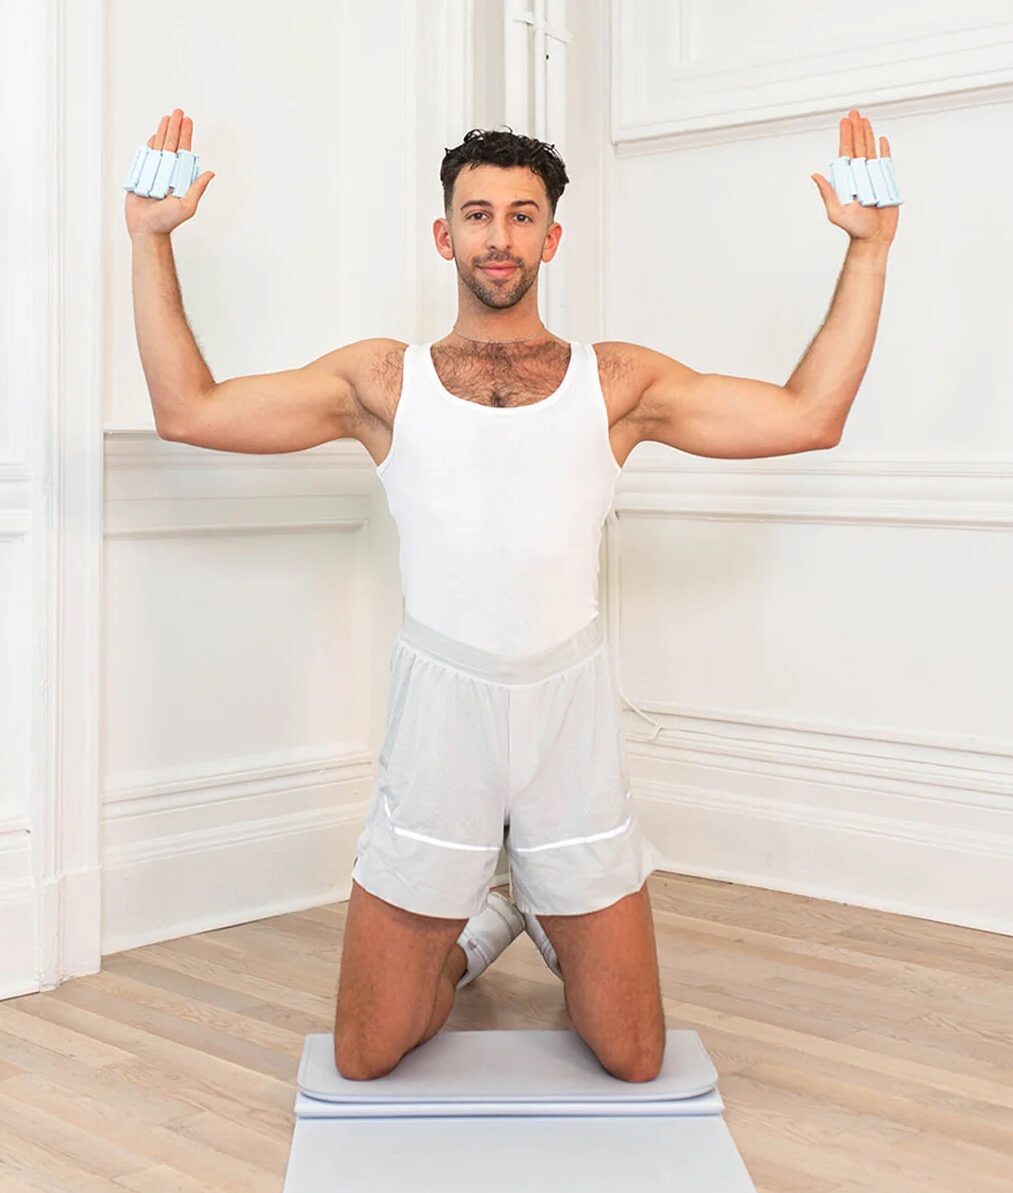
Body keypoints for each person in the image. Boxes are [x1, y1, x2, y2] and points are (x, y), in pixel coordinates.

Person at [128, 107, 893, 1085]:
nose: (499, 236)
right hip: (439, 707)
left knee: (632, 1055)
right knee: (368, 1053)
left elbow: (807, 418)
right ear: (444, 236)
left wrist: (868, 252)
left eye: (522, 216)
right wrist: (151, 242)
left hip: (564, 711)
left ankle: (548, 906)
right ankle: (478, 933)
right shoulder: (381, 380)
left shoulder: (614, 382)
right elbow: (186, 411)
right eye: (478, 215)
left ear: (551, 237)